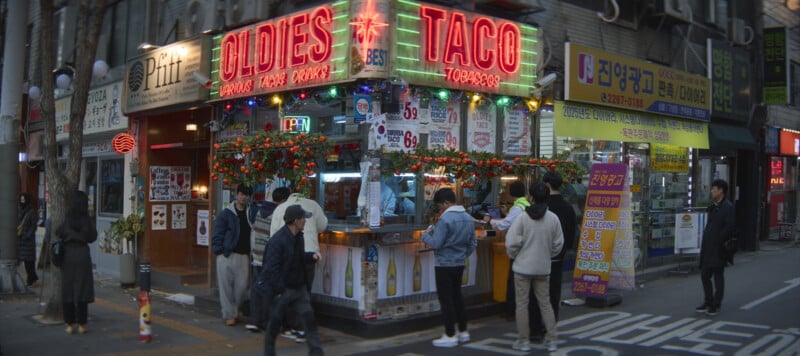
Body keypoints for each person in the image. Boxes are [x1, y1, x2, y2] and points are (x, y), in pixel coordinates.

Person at [505, 182, 564, 352]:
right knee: (545, 303)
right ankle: (551, 339)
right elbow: (558, 244)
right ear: (547, 197)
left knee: (522, 304)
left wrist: (517, 256)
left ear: (531, 197)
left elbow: (512, 243)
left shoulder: (523, 217)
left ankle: (523, 340)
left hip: (522, 268)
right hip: (543, 267)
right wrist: (546, 255)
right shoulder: (553, 218)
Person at [262, 205, 324, 356]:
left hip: (299, 288)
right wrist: (279, 290)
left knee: (310, 323)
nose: (305, 221)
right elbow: (271, 268)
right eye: (303, 218)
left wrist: (311, 257)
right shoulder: (278, 241)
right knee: (274, 327)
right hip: (284, 290)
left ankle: (316, 353)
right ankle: (269, 353)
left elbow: (297, 258)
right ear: (296, 221)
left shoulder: (299, 237)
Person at [270, 188, 328, 342]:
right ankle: (300, 327)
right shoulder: (313, 204)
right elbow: (323, 226)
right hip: (310, 255)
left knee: (289, 292)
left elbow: (273, 237)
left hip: (288, 258)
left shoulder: (280, 209)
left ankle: (292, 327)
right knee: (304, 291)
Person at [421, 188, 477, 348]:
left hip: (444, 264)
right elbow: (473, 243)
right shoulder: (467, 217)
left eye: (440, 206)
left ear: (446, 203)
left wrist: (425, 235)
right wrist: (462, 255)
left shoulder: (445, 220)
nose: (440, 209)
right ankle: (463, 331)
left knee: (446, 300)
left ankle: (450, 334)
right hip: (459, 263)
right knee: (457, 297)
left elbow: (436, 243)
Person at [529, 171, 577, 342]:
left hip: (537, 256)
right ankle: (550, 326)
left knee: (535, 294)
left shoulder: (540, 205)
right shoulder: (567, 206)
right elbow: (572, 233)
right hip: (558, 257)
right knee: (553, 293)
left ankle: (535, 330)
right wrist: (564, 250)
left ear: (547, 185)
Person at [244, 187, 290, 332]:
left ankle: (255, 320)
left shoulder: (259, 211)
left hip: (257, 256)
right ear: (283, 201)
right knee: (270, 291)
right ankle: (267, 321)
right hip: (269, 258)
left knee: (258, 289)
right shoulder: (277, 214)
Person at [482, 181, 528, 319]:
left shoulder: (518, 207)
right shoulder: (525, 204)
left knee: (514, 280)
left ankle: (511, 311)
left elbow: (504, 225)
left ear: (510, 192)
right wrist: (506, 213)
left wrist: (490, 221)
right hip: (525, 246)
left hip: (519, 248)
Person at [56, 190, 98, 334]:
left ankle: (69, 323)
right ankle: (82, 324)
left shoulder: (67, 218)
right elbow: (93, 236)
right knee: (82, 289)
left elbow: (58, 231)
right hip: (82, 254)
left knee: (68, 288)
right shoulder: (87, 219)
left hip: (67, 254)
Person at [212, 183, 253, 326]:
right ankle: (229, 314)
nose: (243, 197)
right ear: (237, 195)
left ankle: (236, 310)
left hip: (244, 256)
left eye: (246, 195)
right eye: (241, 194)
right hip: (227, 255)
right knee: (225, 288)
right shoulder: (226, 213)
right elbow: (217, 232)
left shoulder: (250, 213)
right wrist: (220, 251)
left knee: (241, 288)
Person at [696, 179, 735, 316]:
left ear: (721, 190)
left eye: (714, 189)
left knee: (718, 276)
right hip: (708, 246)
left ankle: (716, 304)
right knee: (705, 275)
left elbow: (729, 227)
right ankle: (708, 300)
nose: (712, 191)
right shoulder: (713, 206)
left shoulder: (728, 207)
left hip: (719, 248)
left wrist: (719, 240)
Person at [17, 192, 39, 287]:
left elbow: (33, 226)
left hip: (28, 241)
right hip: (21, 240)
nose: (22, 201)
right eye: (21, 200)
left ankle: (31, 279)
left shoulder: (31, 212)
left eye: (23, 200)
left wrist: (28, 235)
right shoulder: (19, 211)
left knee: (29, 262)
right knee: (26, 262)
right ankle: (32, 278)